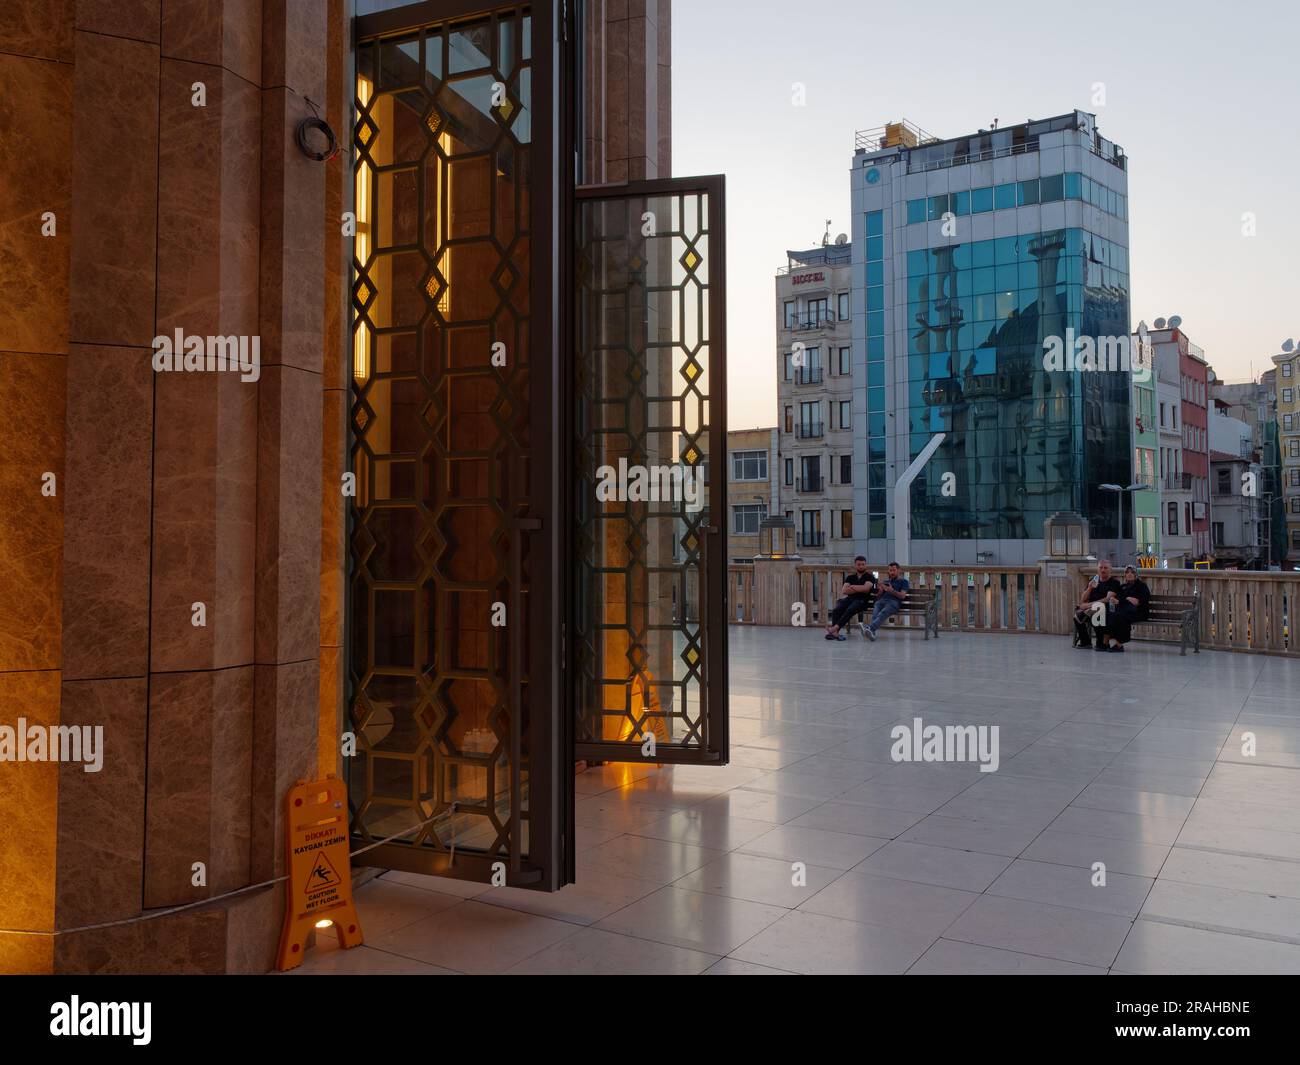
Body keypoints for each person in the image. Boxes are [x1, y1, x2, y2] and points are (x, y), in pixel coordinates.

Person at [1073, 559, 1123, 650]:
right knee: (1077, 615)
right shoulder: (1093, 580)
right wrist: (1089, 588)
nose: (1103, 570)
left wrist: (1089, 605)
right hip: (1092, 608)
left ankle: (1101, 643)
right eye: (1101, 568)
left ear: (1110, 570)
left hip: (1105, 608)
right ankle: (1085, 642)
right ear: (1097, 569)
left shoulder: (1114, 582)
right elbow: (1083, 599)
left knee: (1096, 611)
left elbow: (1107, 599)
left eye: (1105, 568)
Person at [825, 556, 877, 641]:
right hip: (850, 599)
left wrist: (853, 587)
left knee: (850, 609)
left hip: (862, 601)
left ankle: (834, 629)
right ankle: (836, 632)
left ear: (865, 565)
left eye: (863, 564)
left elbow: (866, 589)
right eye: (859, 564)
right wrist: (859, 588)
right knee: (837, 609)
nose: (861, 566)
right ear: (855, 565)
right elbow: (844, 591)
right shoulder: (850, 577)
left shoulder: (869, 577)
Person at [1102, 565, 1151, 651]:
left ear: (1136, 574)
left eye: (1132, 572)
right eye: (1127, 572)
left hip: (1139, 612)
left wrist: (1123, 600)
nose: (1129, 574)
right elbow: (1118, 599)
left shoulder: (1142, 586)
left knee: (1122, 616)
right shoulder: (1123, 587)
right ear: (1124, 575)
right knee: (1110, 613)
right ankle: (1104, 643)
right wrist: (1123, 599)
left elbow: (1137, 602)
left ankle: (1119, 645)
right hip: (1125, 611)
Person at [862, 561, 909, 641]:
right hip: (882, 601)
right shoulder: (886, 582)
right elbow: (879, 596)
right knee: (875, 613)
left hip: (894, 603)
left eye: (894, 570)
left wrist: (892, 591)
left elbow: (902, 595)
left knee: (882, 613)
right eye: (890, 570)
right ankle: (871, 633)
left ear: (898, 570)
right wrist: (880, 591)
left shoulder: (904, 581)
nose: (892, 572)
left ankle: (869, 628)